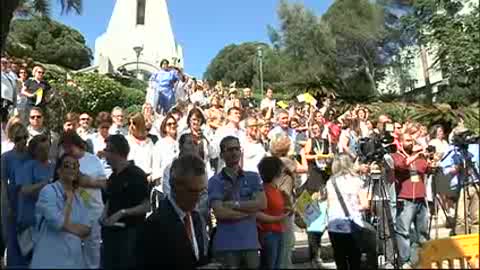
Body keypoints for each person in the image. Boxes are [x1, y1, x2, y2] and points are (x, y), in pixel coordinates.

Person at [137, 154, 209, 268]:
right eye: (193, 191)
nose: (199, 197)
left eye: (202, 191)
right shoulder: (154, 226)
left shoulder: (196, 218)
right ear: (175, 186)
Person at [208, 136, 267, 268]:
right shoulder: (215, 181)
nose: (234, 152)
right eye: (229, 150)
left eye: (236, 149)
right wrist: (250, 212)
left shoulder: (252, 177)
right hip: (226, 245)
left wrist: (235, 205)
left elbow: (262, 204)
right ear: (222, 155)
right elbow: (221, 213)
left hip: (250, 243)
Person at [30, 153, 92, 268]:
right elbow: (57, 222)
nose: (72, 168)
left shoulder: (81, 196)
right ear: (58, 170)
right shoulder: (48, 191)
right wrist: (68, 201)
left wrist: (67, 226)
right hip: (50, 260)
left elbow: (87, 229)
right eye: (67, 165)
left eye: (75, 166)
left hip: (74, 262)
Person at [101, 134, 150, 269]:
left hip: (130, 235)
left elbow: (146, 206)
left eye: (107, 150)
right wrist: (104, 215)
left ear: (115, 152)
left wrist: (122, 213)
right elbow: (110, 199)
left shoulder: (137, 174)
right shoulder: (113, 176)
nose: (105, 155)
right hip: (111, 235)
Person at [61, 131, 107, 269]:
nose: (67, 150)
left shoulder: (92, 159)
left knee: (93, 247)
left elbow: (104, 183)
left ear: (75, 144)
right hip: (73, 211)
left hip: (94, 209)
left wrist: (87, 181)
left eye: (68, 147)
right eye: (64, 147)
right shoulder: (65, 161)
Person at [325, 154, 371, 270]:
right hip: (353, 224)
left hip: (335, 224)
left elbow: (330, 205)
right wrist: (354, 207)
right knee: (354, 259)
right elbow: (365, 204)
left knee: (340, 259)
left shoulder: (331, 182)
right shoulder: (357, 181)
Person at [391, 133, 429, 268]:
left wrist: (432, 161)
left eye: (412, 140)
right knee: (404, 232)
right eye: (407, 140)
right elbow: (401, 166)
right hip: (405, 199)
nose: (411, 143)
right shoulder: (395, 156)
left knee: (423, 232)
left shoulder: (419, 157)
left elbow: (426, 169)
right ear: (400, 143)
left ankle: (423, 259)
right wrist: (415, 156)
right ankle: (405, 261)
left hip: (420, 198)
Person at [15, 135, 54, 265]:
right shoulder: (27, 166)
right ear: (34, 151)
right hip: (30, 220)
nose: (45, 152)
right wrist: (45, 183)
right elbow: (25, 190)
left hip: (50, 221)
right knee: (34, 260)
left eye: (47, 148)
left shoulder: (54, 167)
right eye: (41, 149)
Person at [1, 122, 30, 267]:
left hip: (29, 199)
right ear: (13, 138)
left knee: (28, 238)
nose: (23, 141)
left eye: (25, 137)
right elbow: (3, 182)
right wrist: (6, 205)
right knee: (12, 238)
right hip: (12, 199)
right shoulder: (6, 157)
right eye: (19, 138)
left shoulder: (31, 155)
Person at [256, 156, 291, 269]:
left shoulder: (276, 189)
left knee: (277, 264)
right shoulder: (263, 190)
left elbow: (276, 209)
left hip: (279, 230)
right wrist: (279, 218)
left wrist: (286, 210)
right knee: (269, 265)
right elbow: (258, 214)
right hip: (268, 232)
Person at [151, 113, 179, 187]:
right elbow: (155, 170)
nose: (172, 126)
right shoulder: (159, 144)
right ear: (164, 128)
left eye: (174, 123)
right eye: (169, 124)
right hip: (164, 185)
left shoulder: (180, 144)